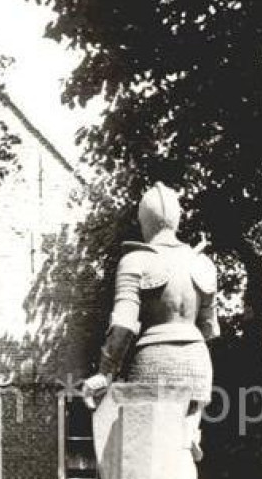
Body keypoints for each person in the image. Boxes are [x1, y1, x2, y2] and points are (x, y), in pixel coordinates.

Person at [83, 181, 219, 458]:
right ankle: (191, 432)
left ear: (145, 221)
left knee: (146, 451)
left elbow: (123, 323)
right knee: (179, 452)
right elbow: (209, 328)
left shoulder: (136, 260)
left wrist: (105, 372)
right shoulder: (203, 264)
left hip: (153, 359)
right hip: (197, 362)